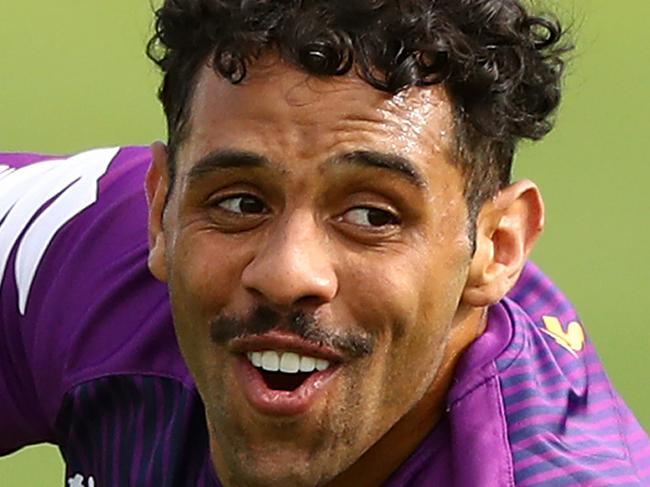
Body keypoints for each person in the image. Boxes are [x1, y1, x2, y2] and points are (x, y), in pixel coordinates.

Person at [1, 0, 649, 486]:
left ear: (497, 247)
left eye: (371, 215)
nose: (287, 273)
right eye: (240, 203)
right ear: (162, 207)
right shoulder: (73, 260)